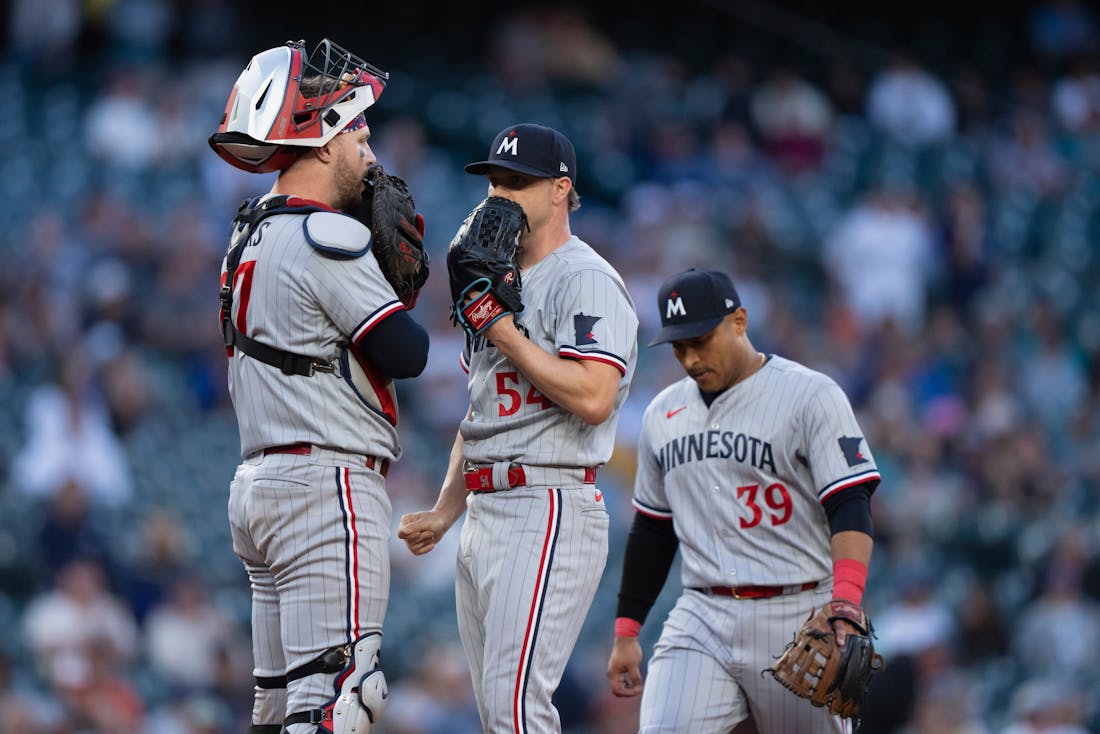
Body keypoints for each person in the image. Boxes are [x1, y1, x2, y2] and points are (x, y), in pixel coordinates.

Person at [208, 39, 430, 734]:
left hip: (260, 490)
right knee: (342, 703)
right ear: (325, 141)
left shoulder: (245, 234)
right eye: (360, 134)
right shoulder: (325, 235)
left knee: (279, 714)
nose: (369, 156)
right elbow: (408, 352)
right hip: (324, 487)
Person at [398, 123, 639, 733]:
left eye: (518, 183)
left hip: (548, 501)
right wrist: (445, 510)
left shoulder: (584, 278)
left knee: (516, 708)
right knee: (497, 716)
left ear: (561, 190)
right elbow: (482, 413)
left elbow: (594, 396)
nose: (500, 196)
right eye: (495, 182)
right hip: (486, 507)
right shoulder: (497, 278)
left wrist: (501, 328)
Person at [606, 268, 880, 734]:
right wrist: (627, 630)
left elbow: (849, 502)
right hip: (702, 613)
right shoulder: (662, 414)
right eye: (679, 346)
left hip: (798, 609)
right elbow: (652, 529)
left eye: (701, 340)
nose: (690, 358)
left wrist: (847, 602)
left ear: (739, 321)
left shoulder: (810, 394)